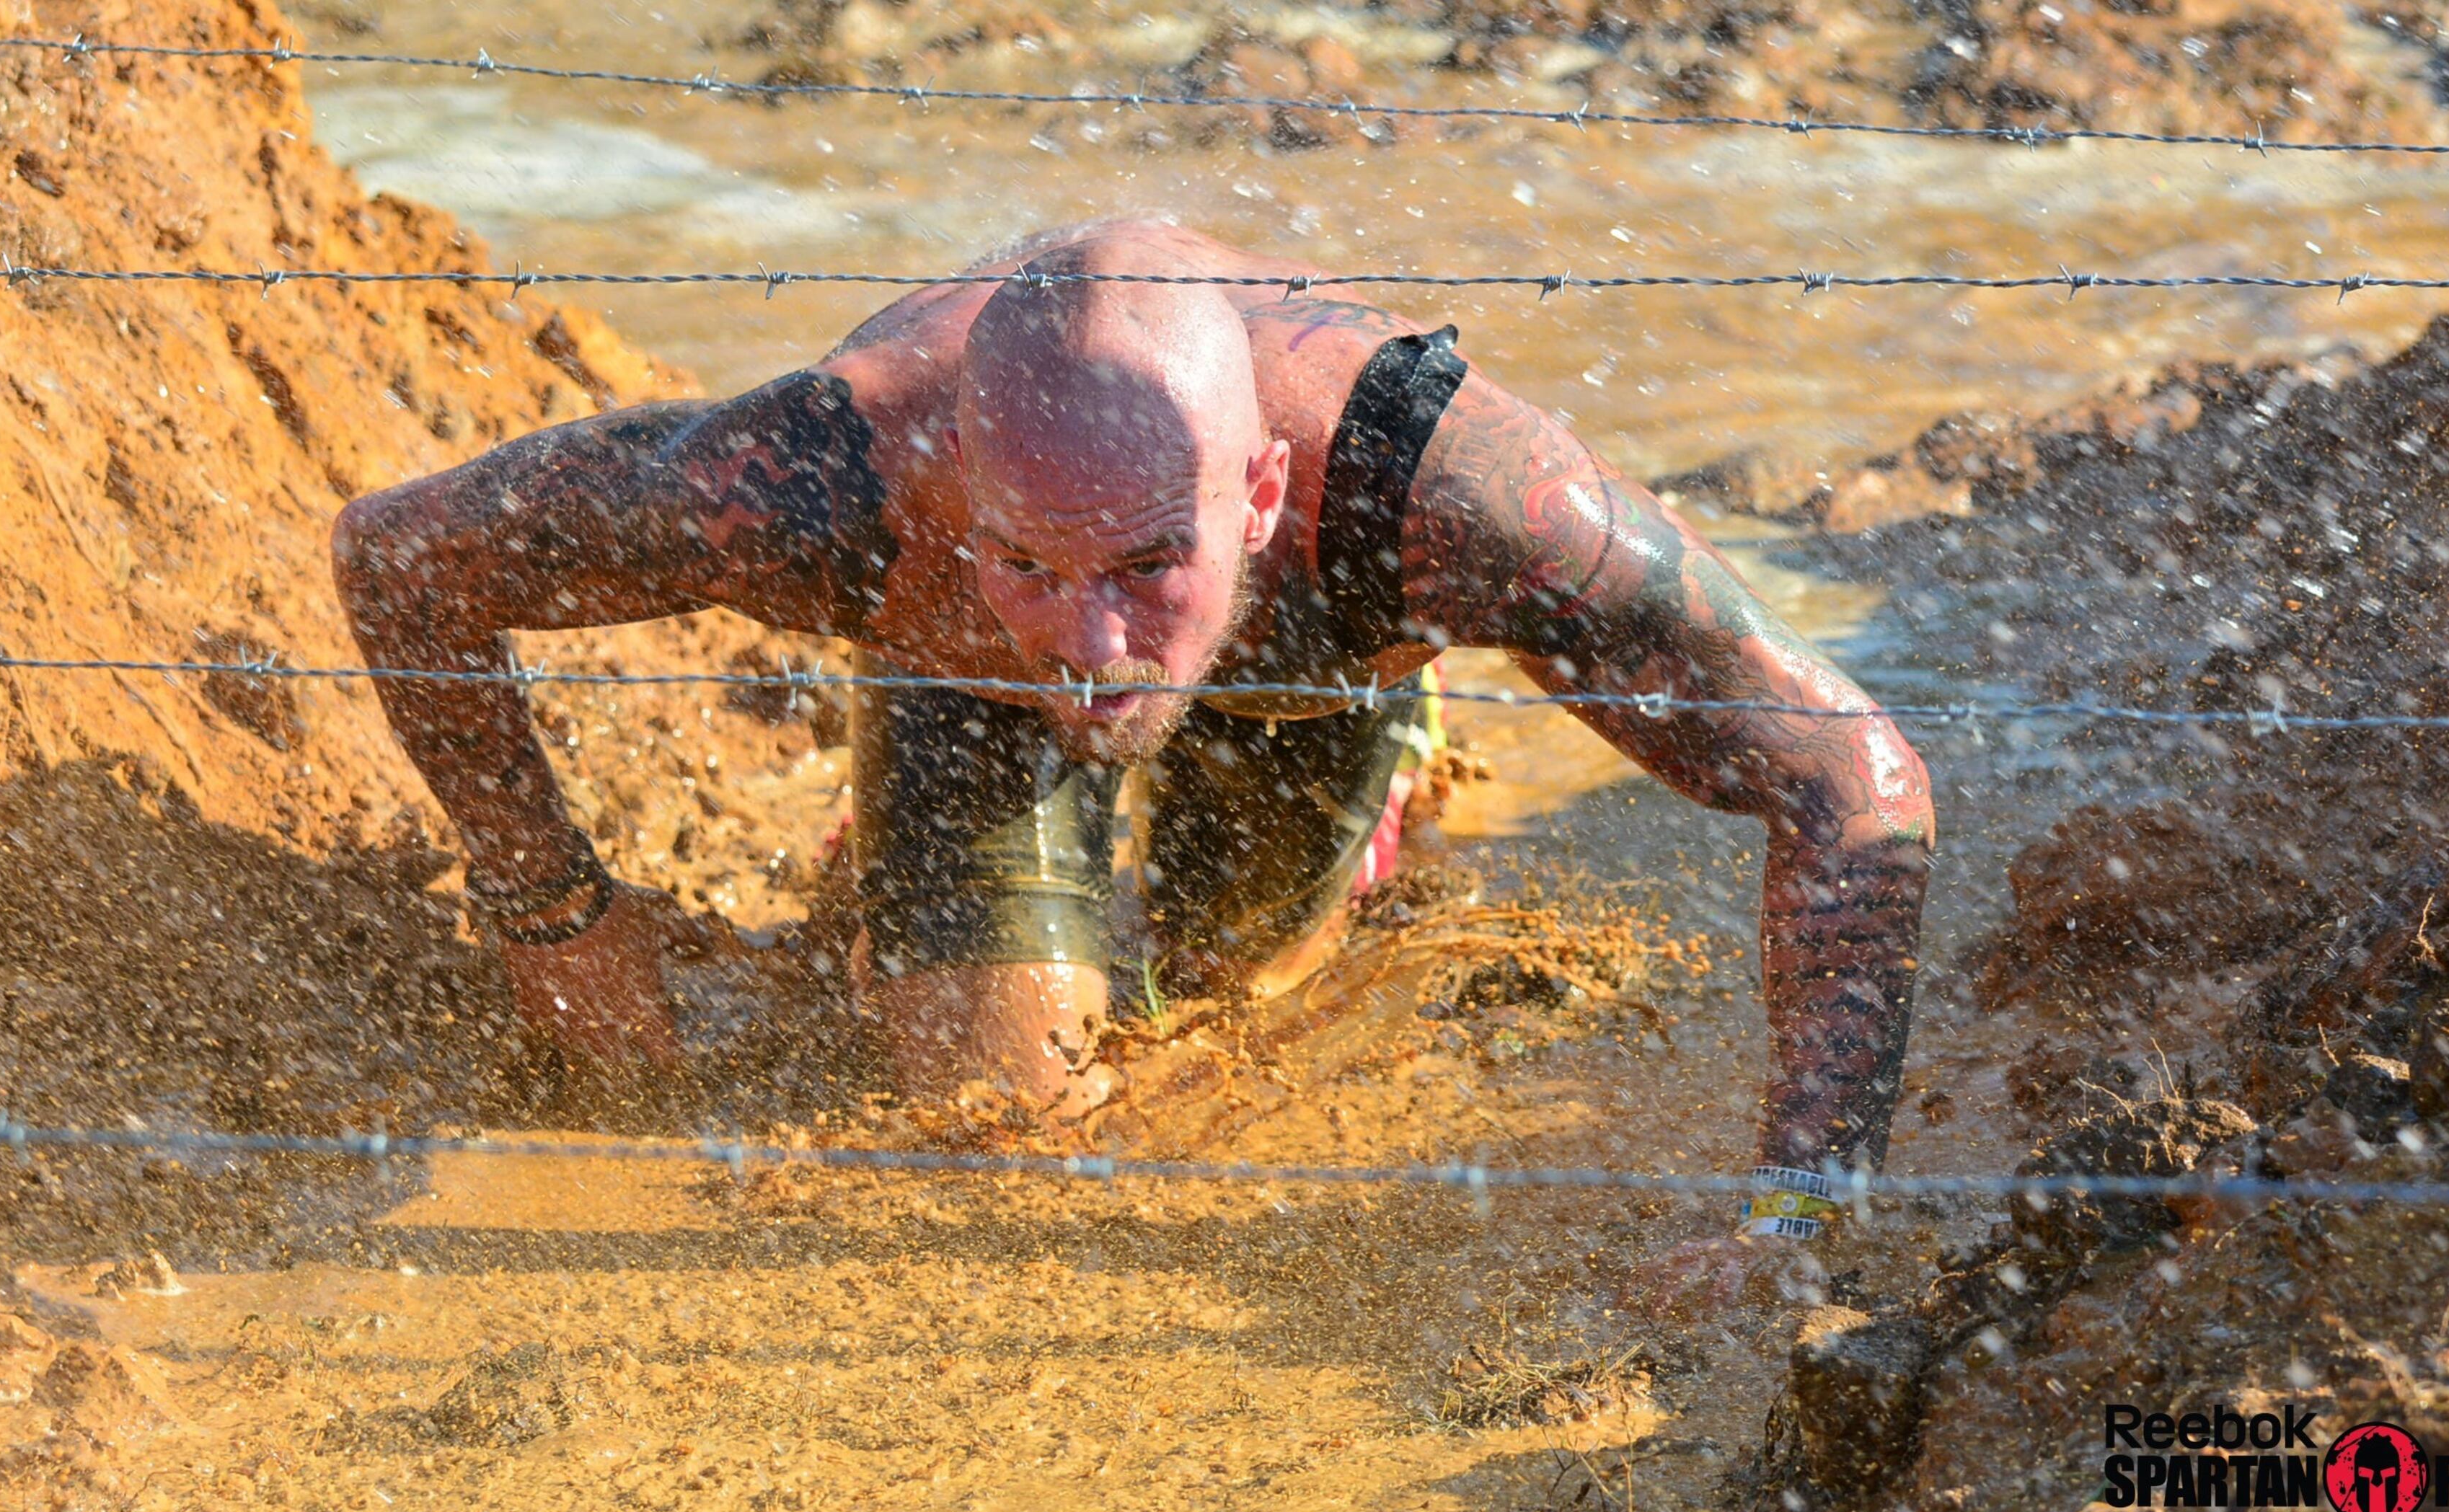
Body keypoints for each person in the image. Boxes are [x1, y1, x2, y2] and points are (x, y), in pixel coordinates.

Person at [332, 219, 1934, 1307]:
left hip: (1306, 652)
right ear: (958, 482)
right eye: (1034, 561)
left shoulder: (1456, 508)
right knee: (993, 1149)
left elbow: (1860, 781)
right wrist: (554, 911)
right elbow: (402, 557)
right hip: (967, 669)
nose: (1092, 647)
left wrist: (1799, 1214)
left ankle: (1389, 738)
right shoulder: (827, 490)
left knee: (1243, 993)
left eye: (1145, 567)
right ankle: (928, 799)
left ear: (1249, 494)